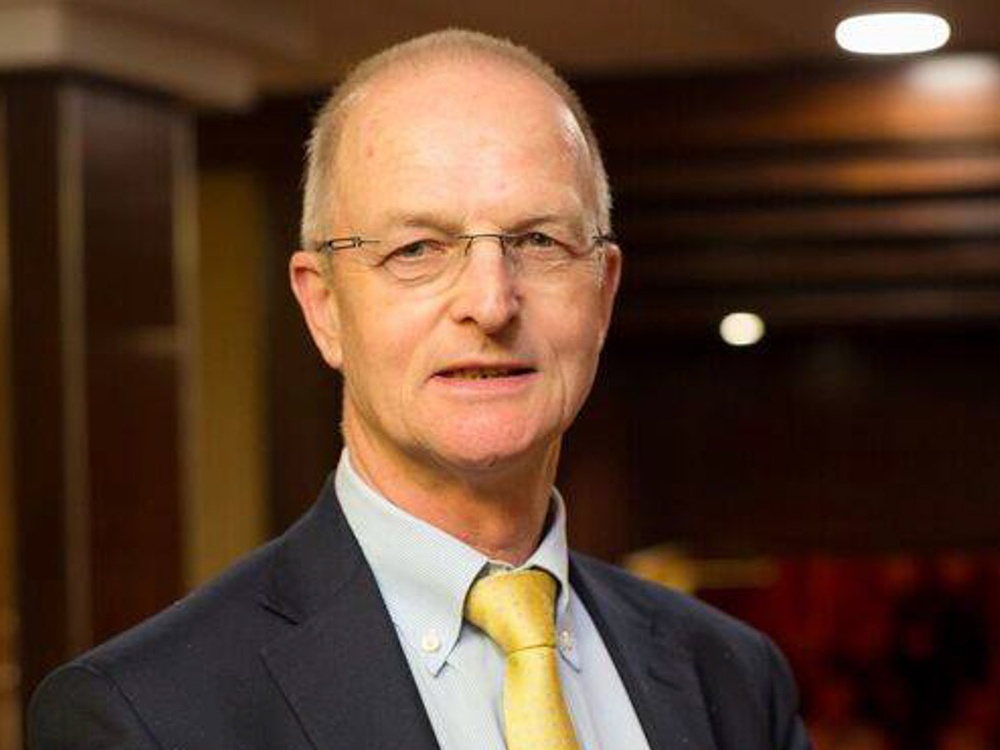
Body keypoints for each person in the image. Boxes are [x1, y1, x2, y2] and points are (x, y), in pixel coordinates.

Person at [29, 29, 812, 750]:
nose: (490, 302)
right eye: (417, 249)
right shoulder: (147, 715)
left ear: (602, 294)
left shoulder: (734, 680)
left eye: (537, 241)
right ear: (324, 306)